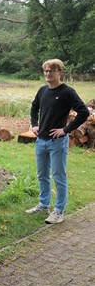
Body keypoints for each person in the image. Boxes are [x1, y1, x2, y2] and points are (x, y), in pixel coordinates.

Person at [26, 59, 89, 224]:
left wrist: (66, 129)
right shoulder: (42, 90)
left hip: (57, 142)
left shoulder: (67, 92)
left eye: (51, 71)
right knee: (42, 175)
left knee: (59, 176)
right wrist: (34, 125)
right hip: (41, 141)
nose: (47, 74)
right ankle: (43, 205)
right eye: (46, 71)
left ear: (59, 73)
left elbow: (83, 112)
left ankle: (59, 211)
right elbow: (34, 108)